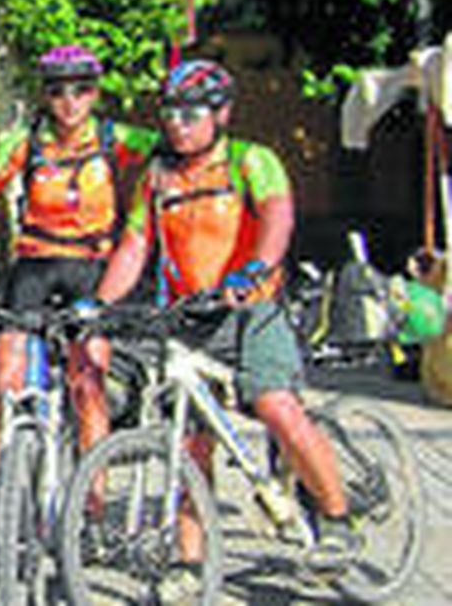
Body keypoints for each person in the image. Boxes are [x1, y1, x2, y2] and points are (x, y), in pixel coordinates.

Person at [90, 58, 357, 572]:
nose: (177, 124)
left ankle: (337, 518)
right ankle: (191, 567)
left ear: (222, 113)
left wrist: (255, 270)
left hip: (251, 311)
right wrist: (99, 305)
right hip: (189, 319)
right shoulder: (157, 177)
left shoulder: (250, 160)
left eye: (190, 114)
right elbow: (135, 245)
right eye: (170, 113)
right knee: (190, 446)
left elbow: (278, 219)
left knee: (276, 407)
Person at [0, 45, 156, 544]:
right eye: (58, 91)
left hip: (92, 269)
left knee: (89, 389)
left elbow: (180, 153)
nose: (70, 101)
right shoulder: (25, 142)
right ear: (46, 95)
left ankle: (92, 516)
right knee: (4, 387)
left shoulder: (117, 138)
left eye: (82, 89)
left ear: (95, 93)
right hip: (34, 270)